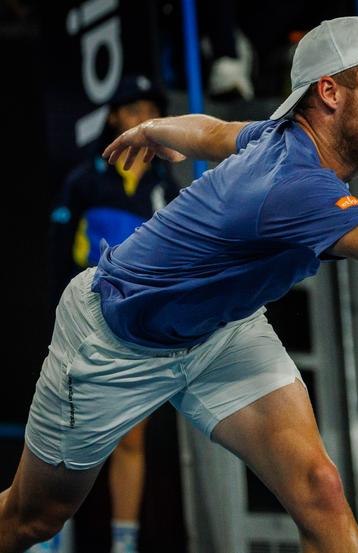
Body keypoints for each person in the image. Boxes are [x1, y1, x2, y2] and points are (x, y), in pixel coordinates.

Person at [0, 13, 358, 553]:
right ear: (330, 93)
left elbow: (216, 132)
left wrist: (153, 127)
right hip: (114, 340)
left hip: (223, 330)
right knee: (33, 518)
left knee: (320, 489)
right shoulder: (290, 186)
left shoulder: (279, 136)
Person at [44, 74, 179, 553]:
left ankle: (124, 544)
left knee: (131, 439)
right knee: (68, 433)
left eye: (151, 109)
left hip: (138, 330)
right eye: (134, 108)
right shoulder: (84, 179)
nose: (145, 117)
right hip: (85, 322)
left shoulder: (166, 185)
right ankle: (51, 536)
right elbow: (59, 253)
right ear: (115, 117)